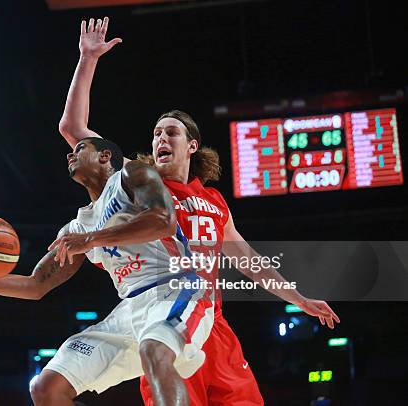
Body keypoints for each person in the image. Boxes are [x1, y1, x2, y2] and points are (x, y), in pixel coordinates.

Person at [57, 17, 341, 405]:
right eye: (156, 133)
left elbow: (248, 260)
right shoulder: (130, 182)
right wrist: (87, 59)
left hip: (211, 323)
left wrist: (298, 298)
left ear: (191, 146)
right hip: (160, 319)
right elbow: (73, 127)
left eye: (171, 132)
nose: (161, 138)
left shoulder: (214, 201)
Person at [0, 137, 216, 406]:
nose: (69, 155)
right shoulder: (76, 227)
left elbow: (163, 221)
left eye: (79, 148)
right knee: (47, 388)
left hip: (174, 287)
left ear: (104, 156)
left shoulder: (131, 175)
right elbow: (36, 285)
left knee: (155, 350)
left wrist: (91, 240)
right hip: (128, 309)